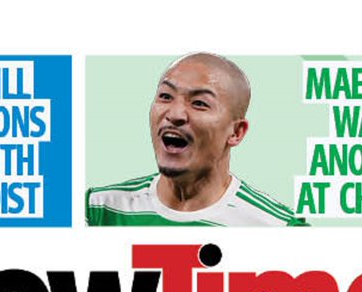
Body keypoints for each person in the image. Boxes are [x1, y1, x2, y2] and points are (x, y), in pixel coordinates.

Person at [86, 53, 303, 227]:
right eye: (165, 96)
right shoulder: (98, 210)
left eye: (199, 103)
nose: (175, 114)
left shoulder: (276, 228)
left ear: (236, 132)